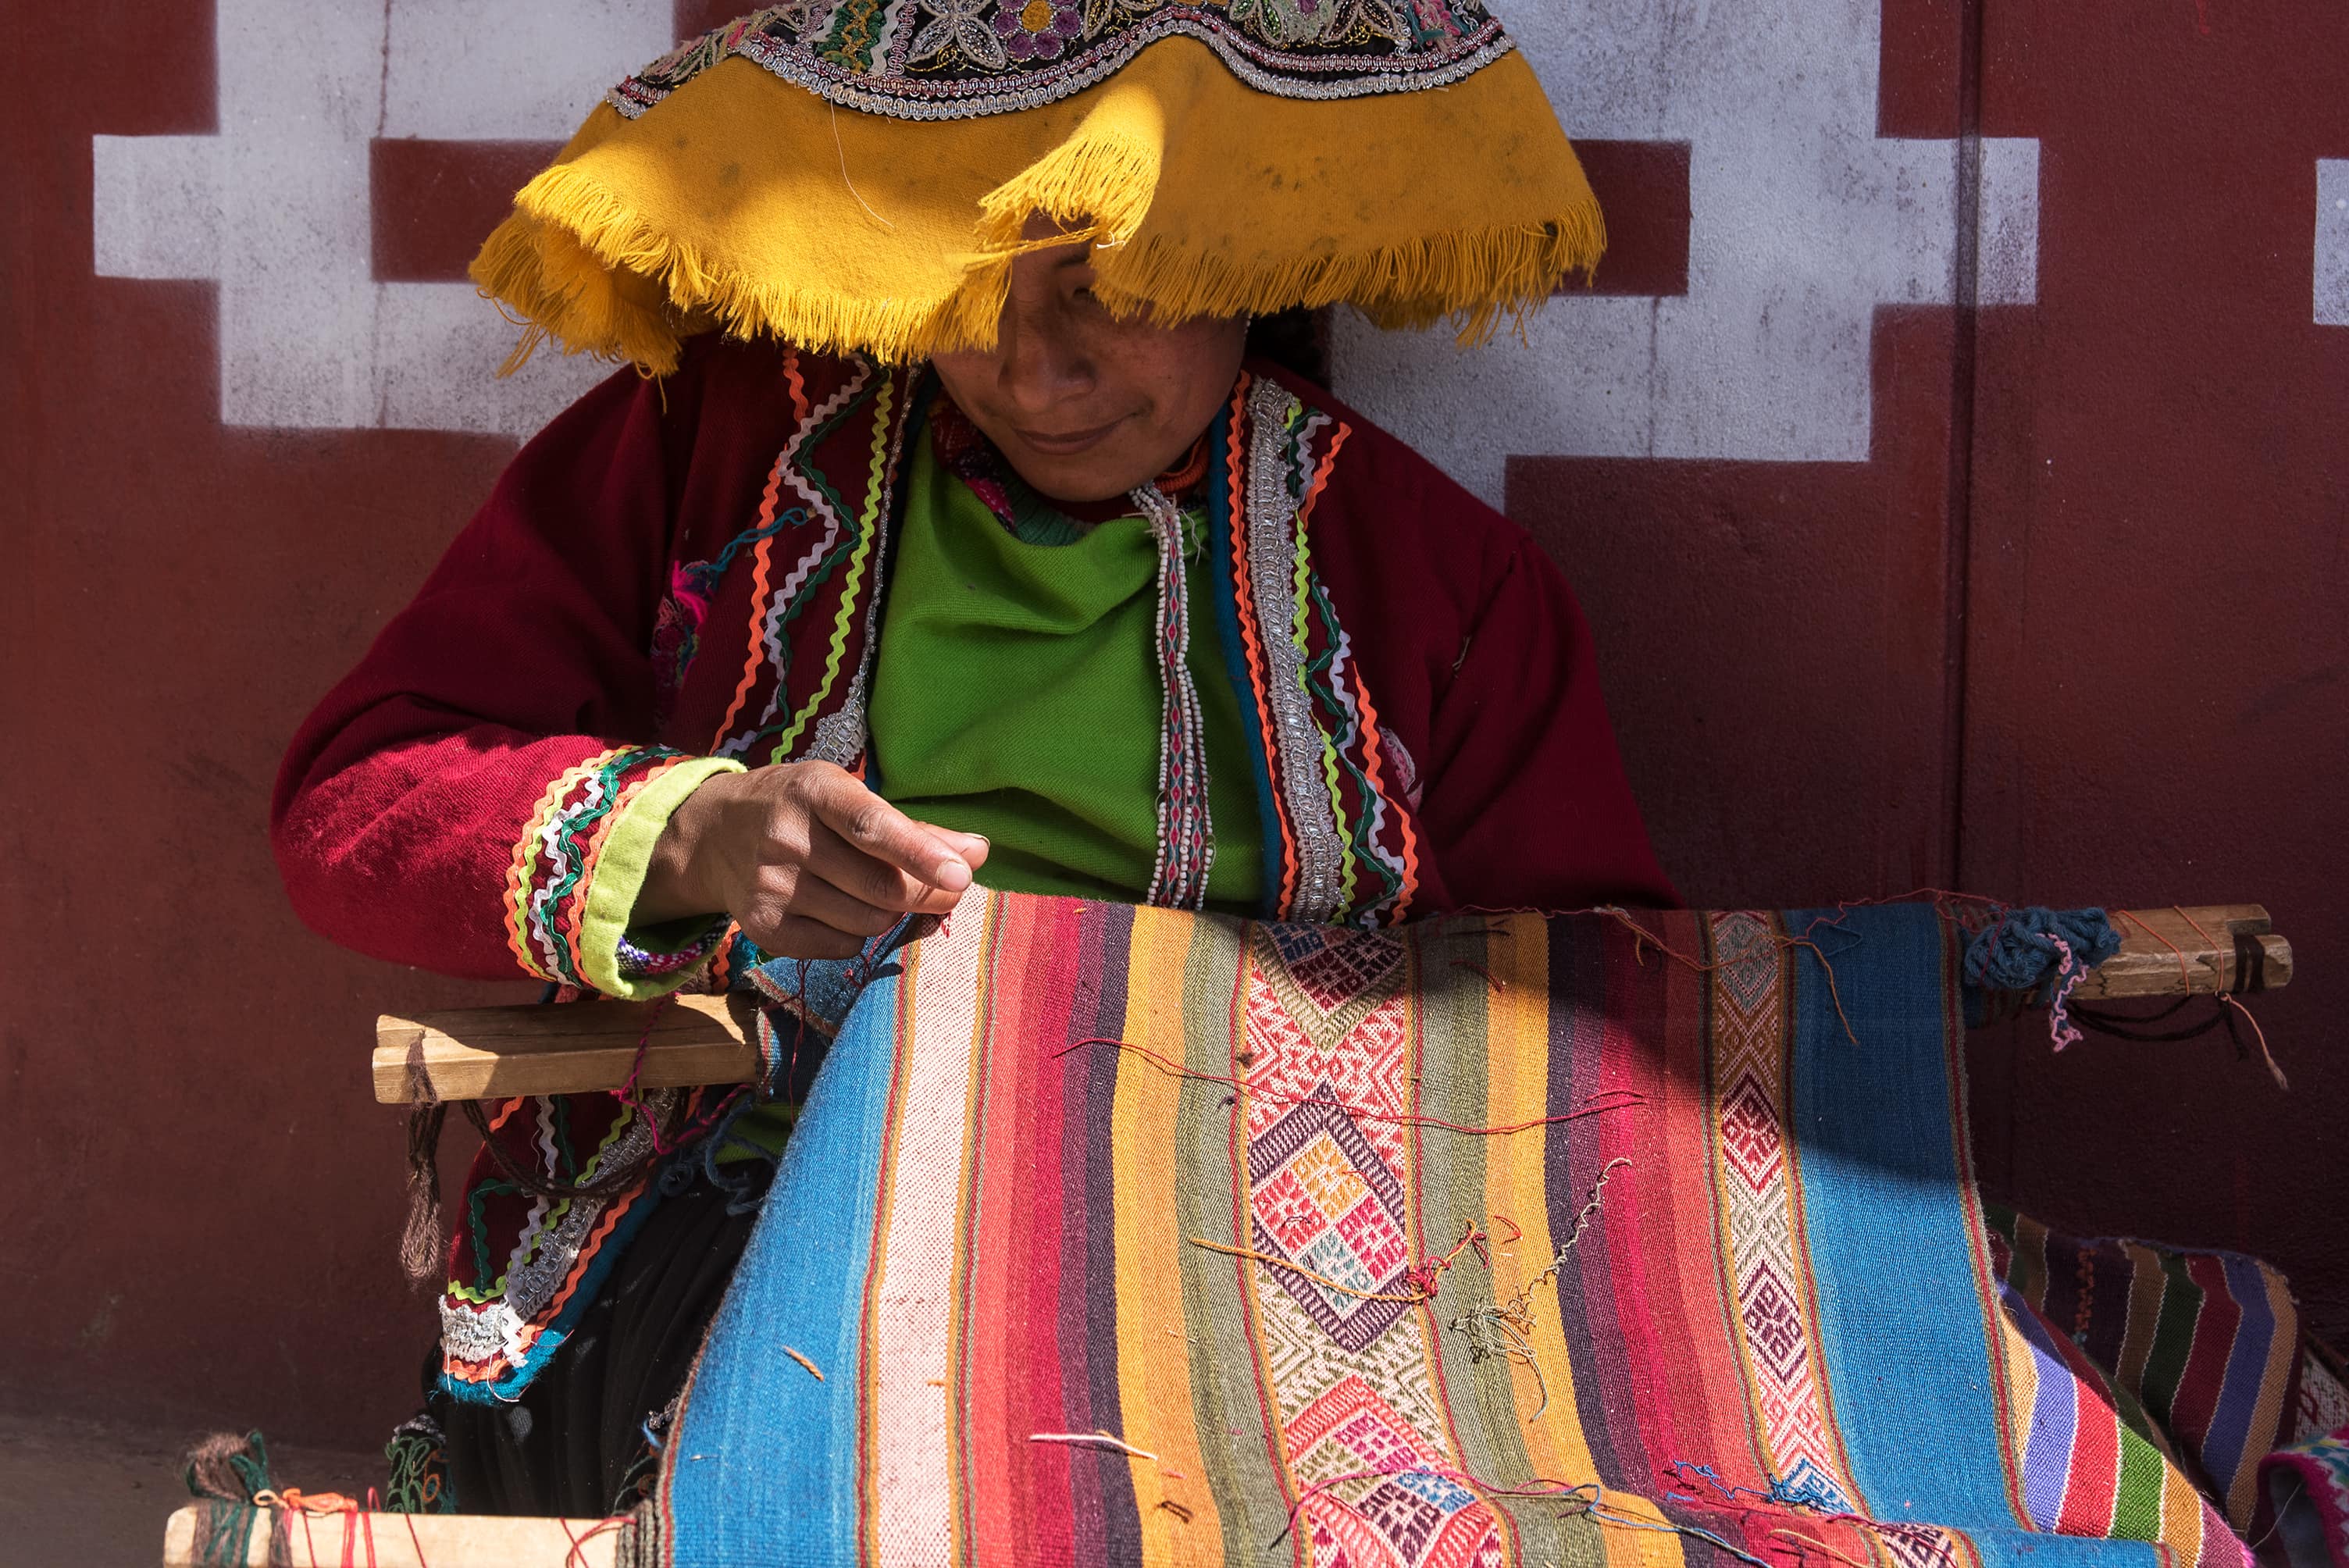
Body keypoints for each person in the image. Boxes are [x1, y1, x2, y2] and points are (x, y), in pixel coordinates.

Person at [271, 2, 1676, 1517]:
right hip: (762, 1203)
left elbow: (1588, 1026)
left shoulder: (1435, 588)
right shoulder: (711, 455)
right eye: (967, 273)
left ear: (1243, 252)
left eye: (1107, 281)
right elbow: (357, 797)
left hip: (1261, 1268)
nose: (1035, 364)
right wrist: (692, 835)